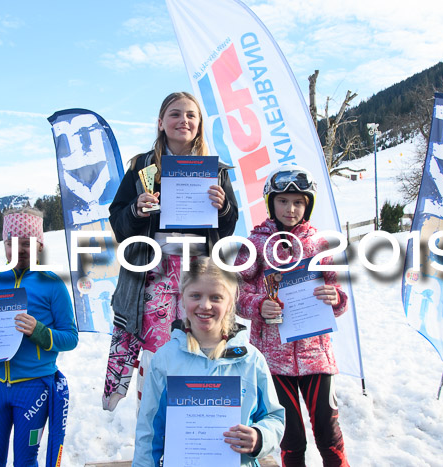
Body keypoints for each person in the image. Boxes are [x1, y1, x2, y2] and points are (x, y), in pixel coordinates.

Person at [103, 91, 238, 411]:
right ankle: (152, 438)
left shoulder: (216, 170)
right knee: (157, 358)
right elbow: (119, 225)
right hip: (153, 279)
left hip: (199, 277)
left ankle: (194, 439)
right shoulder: (142, 167)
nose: (184, 120)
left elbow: (227, 228)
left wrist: (223, 207)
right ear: (161, 123)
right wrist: (135, 209)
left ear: (200, 124)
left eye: (191, 115)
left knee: (200, 353)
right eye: (175, 114)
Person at [234, 165, 350, 467]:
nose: (291, 208)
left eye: (298, 201)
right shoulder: (255, 244)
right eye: (283, 201)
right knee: (290, 438)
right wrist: (259, 305)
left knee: (329, 433)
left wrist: (335, 298)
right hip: (273, 361)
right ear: (271, 202)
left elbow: (338, 295)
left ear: (308, 204)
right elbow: (235, 295)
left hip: (316, 356)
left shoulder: (320, 244)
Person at [0, 207, 78, 467]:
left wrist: (40, 332)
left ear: (39, 245)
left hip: (34, 388)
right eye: (12, 244)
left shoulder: (52, 284)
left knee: (25, 461)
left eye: (27, 243)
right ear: (4, 245)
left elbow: (71, 337)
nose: (19, 250)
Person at [133, 257, 284, 466]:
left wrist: (260, 437)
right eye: (196, 295)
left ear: (230, 302)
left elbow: (274, 418)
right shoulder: (165, 360)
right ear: (183, 298)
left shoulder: (250, 359)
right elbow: (148, 433)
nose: (205, 305)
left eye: (216, 297)